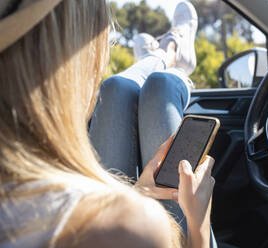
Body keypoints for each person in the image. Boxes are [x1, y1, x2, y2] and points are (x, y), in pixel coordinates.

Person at [0, 1, 216, 248]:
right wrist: (199, 222)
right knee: (158, 86)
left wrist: (140, 192)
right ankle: (172, 55)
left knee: (116, 88)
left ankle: (167, 54)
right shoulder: (125, 227)